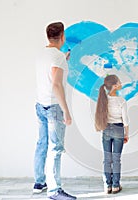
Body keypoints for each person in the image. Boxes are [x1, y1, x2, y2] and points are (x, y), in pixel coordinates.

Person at [33, 22, 76, 200]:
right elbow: (56, 85)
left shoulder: (43, 54)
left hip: (40, 105)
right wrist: (66, 110)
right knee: (55, 148)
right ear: (63, 36)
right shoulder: (57, 57)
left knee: (42, 144)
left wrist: (62, 60)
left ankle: (39, 182)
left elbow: (51, 72)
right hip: (53, 108)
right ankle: (54, 190)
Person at [95, 75, 129, 194]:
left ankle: (107, 185)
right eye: (119, 82)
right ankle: (115, 185)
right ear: (114, 86)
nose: (121, 83)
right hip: (118, 129)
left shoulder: (103, 99)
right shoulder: (121, 101)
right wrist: (126, 134)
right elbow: (125, 120)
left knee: (107, 159)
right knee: (116, 159)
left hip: (106, 129)